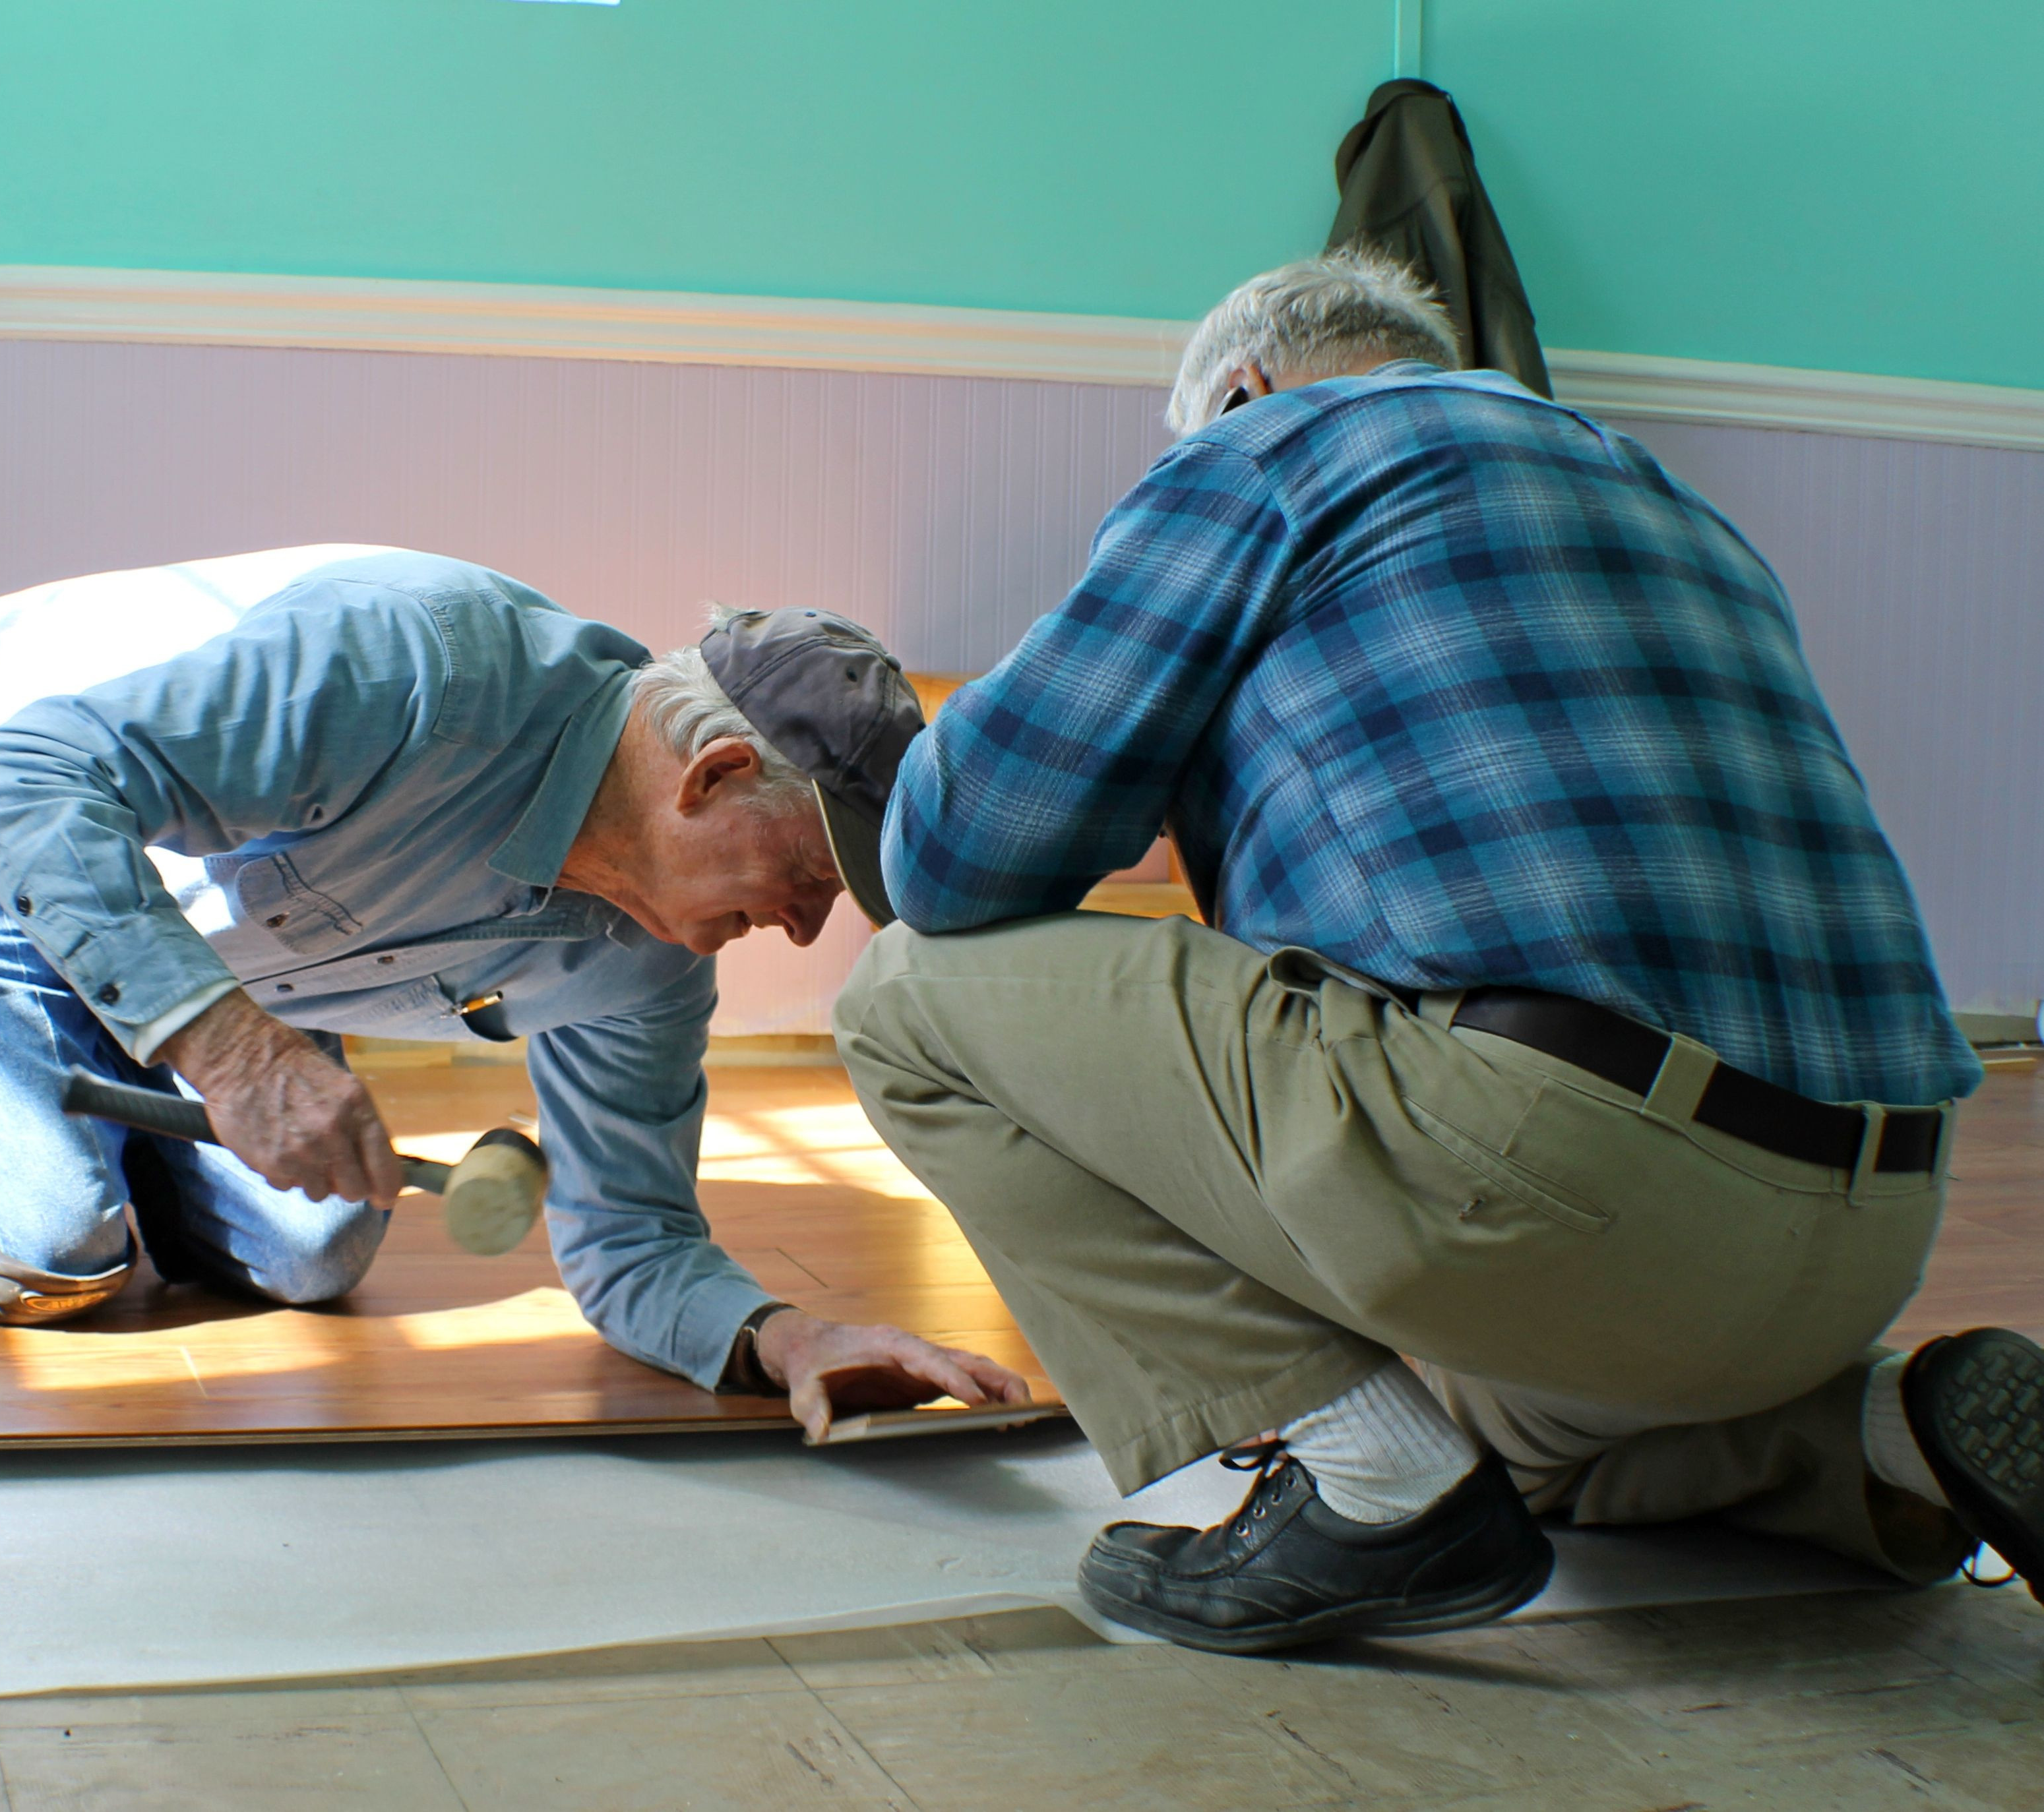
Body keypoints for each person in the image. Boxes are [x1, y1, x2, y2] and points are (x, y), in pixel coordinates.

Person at [833, 250, 2044, 1654]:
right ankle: (1891, 1435)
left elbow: (954, 855)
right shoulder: (1673, 503)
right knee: (1523, 1440)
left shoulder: (1267, 448)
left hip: (1557, 1168)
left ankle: (1371, 1485)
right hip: (1868, 1228)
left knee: (907, 1000)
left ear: (1238, 388)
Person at [0, 543, 1028, 1432]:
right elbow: (19, 776)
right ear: (708, 777)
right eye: (811, 877)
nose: (805, 926)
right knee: (52, 1251)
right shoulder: (417, 668)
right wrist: (239, 1058)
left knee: (316, 1249)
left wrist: (790, 1338)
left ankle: (67, 1047)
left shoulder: (653, 960)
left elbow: (634, 1238)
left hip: (218, 933)